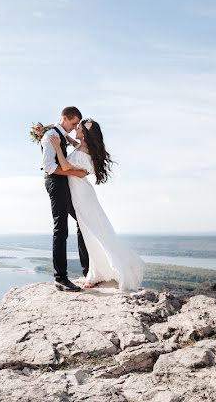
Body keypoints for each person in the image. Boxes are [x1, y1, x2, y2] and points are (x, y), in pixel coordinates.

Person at [48, 118, 144, 291]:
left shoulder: (84, 151)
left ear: (84, 133)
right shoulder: (84, 147)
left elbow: (65, 165)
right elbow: (78, 147)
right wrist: (68, 139)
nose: (75, 128)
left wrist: (56, 146)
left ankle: (96, 274)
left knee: (91, 232)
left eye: (78, 127)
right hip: (80, 194)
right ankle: (97, 271)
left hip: (82, 196)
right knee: (91, 231)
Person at [41, 106, 90, 292]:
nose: (75, 126)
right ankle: (60, 278)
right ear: (64, 118)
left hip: (64, 183)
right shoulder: (50, 136)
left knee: (82, 220)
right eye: (74, 123)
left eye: (77, 124)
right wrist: (77, 173)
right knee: (60, 227)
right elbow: (49, 167)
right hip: (56, 183)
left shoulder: (58, 133)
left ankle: (87, 270)